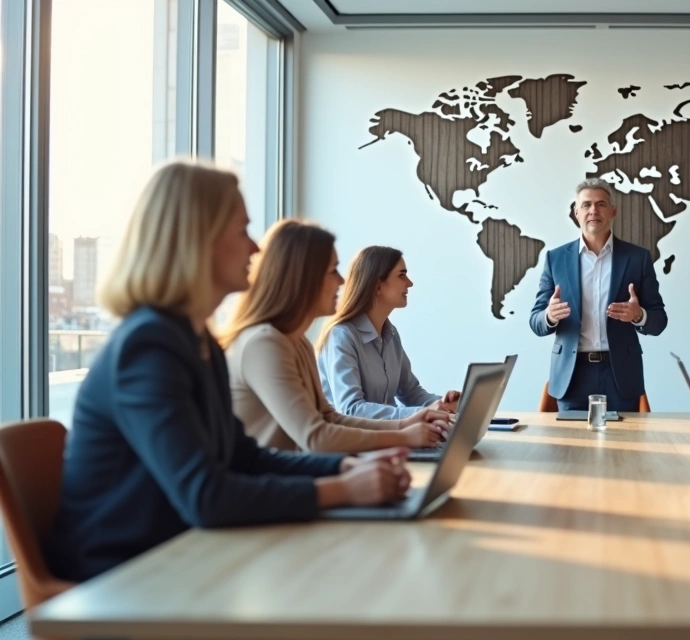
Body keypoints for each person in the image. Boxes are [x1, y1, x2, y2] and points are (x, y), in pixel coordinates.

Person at [43, 161, 413, 582]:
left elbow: (244, 457)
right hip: (121, 576)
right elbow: (206, 495)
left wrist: (343, 469)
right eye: (242, 230)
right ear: (195, 241)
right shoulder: (147, 347)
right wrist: (343, 489)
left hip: (182, 553)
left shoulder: (198, 342)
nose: (256, 249)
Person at [220, 220, 450, 454]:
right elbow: (316, 436)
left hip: (294, 475)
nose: (341, 281)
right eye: (332, 271)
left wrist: (406, 426)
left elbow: (329, 418)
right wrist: (402, 435)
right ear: (302, 278)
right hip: (272, 484)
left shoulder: (298, 344)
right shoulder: (264, 344)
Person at [529, 178, 668, 412]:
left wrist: (639, 315)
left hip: (621, 375)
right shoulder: (556, 259)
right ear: (576, 212)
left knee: (624, 448)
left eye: (601, 204)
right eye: (586, 205)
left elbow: (659, 321)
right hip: (572, 375)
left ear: (613, 211)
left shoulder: (638, 258)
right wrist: (550, 316)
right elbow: (536, 321)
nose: (594, 210)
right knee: (569, 448)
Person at [316, 245, 459, 419]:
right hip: (352, 444)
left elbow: (411, 394)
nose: (410, 283)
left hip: (387, 438)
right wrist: (425, 413)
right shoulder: (342, 336)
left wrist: (447, 405)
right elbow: (351, 409)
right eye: (402, 275)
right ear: (377, 286)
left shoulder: (391, 335)